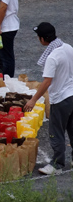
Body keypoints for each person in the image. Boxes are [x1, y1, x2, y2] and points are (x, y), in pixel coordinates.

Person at [24, 22, 73, 175]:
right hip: (72, 94)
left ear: (43, 39)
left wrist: (33, 100)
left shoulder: (52, 57)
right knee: (72, 129)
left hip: (60, 99)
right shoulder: (68, 47)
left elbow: (47, 81)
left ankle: (57, 164)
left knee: (56, 132)